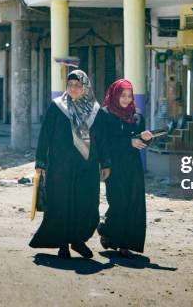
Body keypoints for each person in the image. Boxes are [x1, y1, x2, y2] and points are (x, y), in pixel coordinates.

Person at [29, 70, 111, 259]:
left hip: (87, 166)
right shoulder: (57, 107)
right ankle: (63, 244)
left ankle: (78, 241)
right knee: (61, 204)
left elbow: (102, 140)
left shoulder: (95, 110)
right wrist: (40, 161)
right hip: (60, 166)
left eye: (77, 85)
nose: (73, 88)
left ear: (85, 87)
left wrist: (106, 162)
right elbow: (45, 136)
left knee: (86, 203)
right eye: (70, 85)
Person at [98, 79, 153, 258]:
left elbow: (140, 140)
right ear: (115, 95)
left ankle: (125, 245)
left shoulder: (137, 116)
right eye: (123, 95)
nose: (126, 99)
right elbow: (103, 142)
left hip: (133, 165)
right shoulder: (105, 114)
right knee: (119, 202)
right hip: (113, 165)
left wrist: (146, 137)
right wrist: (128, 142)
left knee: (134, 202)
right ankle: (106, 230)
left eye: (129, 96)